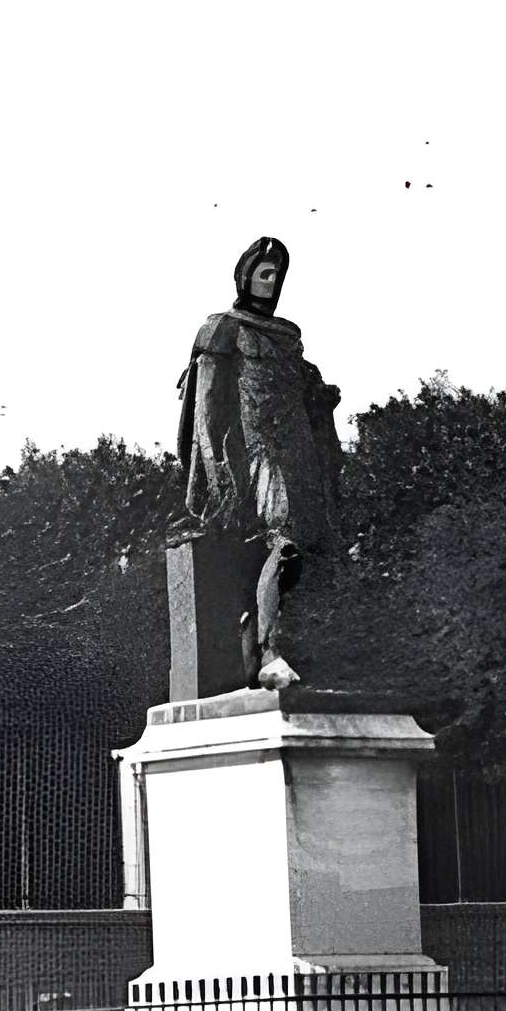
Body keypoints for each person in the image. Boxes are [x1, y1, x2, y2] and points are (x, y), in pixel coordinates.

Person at [176, 236, 342, 687]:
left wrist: (320, 396)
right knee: (285, 542)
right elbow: (207, 406)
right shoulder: (221, 327)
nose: (270, 282)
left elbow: (301, 392)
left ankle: (265, 641)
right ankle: (269, 651)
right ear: (245, 275)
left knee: (311, 550)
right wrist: (217, 473)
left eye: (277, 275)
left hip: (298, 448)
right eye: (263, 273)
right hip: (254, 448)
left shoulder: (288, 334)